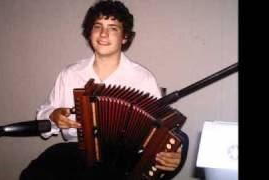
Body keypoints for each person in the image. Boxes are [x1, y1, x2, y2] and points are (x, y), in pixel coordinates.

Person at [20, 1, 187, 179]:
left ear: (125, 37)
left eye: (113, 28)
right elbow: (44, 116)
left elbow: (160, 131)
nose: (103, 34)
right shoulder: (70, 74)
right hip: (75, 154)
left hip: (121, 161)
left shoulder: (143, 78)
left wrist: (173, 154)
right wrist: (53, 115)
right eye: (97, 26)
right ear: (89, 32)